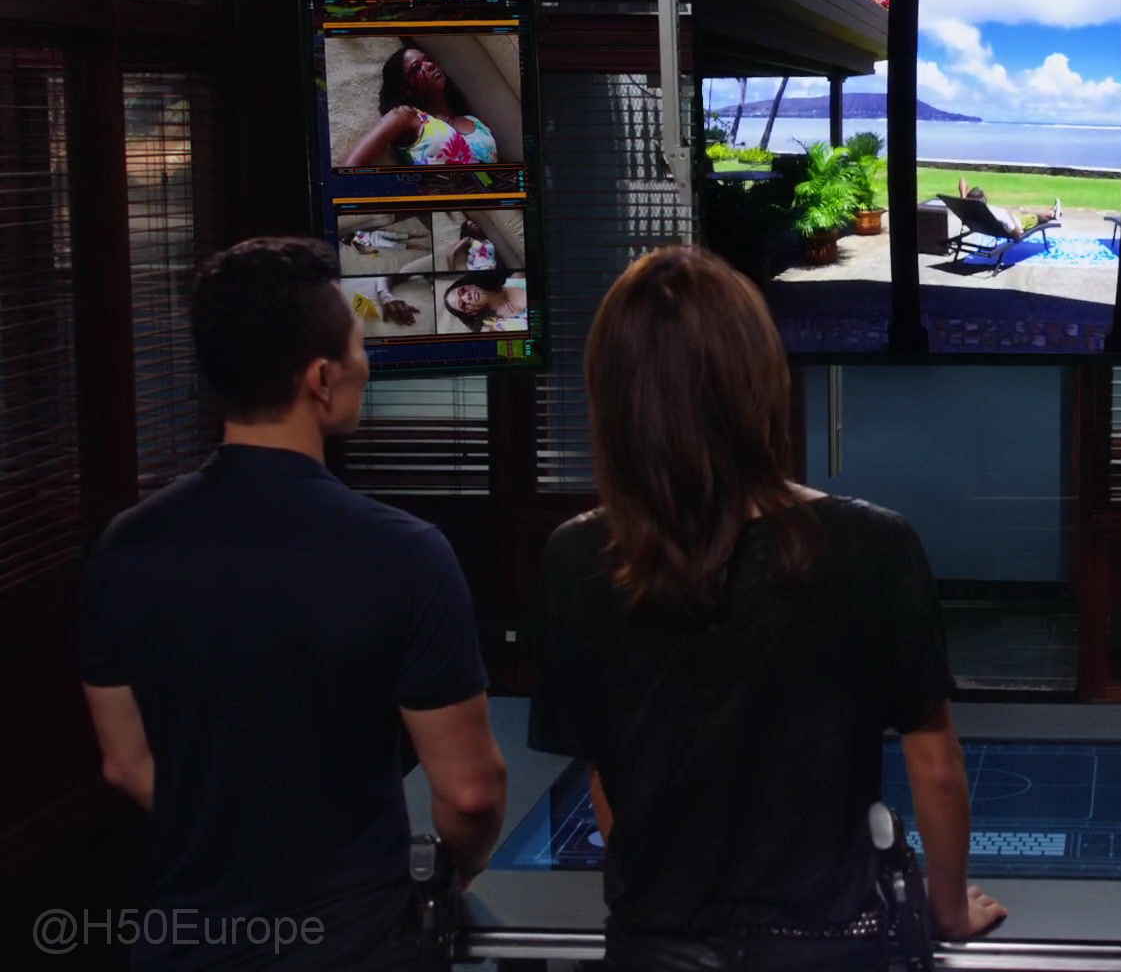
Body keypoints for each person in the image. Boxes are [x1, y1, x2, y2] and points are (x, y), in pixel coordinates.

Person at [527, 245, 1007, 971]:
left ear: (612, 390)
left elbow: (605, 775)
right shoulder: (874, 544)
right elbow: (935, 765)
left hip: (654, 946)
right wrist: (947, 910)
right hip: (831, 950)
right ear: (759, 378)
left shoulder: (576, 555)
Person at [79, 237, 508, 969]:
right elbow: (469, 792)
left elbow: (125, 764)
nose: (366, 365)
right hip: (358, 944)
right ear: (322, 378)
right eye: (360, 347)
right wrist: (451, 872)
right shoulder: (405, 555)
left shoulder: (124, 547)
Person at [343, 42, 499, 167]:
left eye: (428, 59)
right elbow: (350, 166)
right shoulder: (406, 116)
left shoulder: (475, 121)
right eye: (416, 67)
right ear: (406, 89)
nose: (429, 65)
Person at [958, 177, 1060, 239]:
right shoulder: (999, 215)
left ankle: (1052, 211)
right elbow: (1017, 234)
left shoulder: (968, 208)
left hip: (994, 224)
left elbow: (962, 180)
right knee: (1033, 216)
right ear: (983, 200)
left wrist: (964, 198)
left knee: (1022, 210)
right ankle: (1053, 214)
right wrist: (1012, 220)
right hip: (1017, 224)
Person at [442, 269, 528, 332]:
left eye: (463, 291)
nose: (467, 297)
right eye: (463, 305)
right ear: (471, 312)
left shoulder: (516, 279)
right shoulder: (492, 329)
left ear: (472, 284)